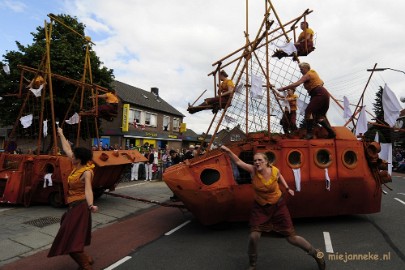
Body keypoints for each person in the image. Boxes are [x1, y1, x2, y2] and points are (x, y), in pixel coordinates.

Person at [220, 145, 325, 270]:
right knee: (254, 236)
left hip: (278, 206)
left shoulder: (274, 170)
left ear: (266, 162)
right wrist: (228, 151)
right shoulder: (253, 170)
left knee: (291, 238)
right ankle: (252, 264)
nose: (257, 162)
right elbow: (238, 161)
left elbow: (280, 176)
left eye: (260, 160)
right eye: (255, 161)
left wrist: (287, 188)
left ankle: (317, 254)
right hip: (260, 207)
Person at [48, 127, 98, 270]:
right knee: (71, 236)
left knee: (69, 239)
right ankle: (87, 259)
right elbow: (67, 149)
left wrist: (91, 205)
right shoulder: (77, 165)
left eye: (74, 156)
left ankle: (85, 265)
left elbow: (88, 189)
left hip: (81, 207)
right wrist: (61, 134)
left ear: (79, 159)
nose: (71, 156)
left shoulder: (86, 172)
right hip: (73, 207)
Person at [277, 62, 335, 139]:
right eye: (300, 69)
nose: (301, 71)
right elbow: (322, 82)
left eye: (302, 69)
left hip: (319, 94)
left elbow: (297, 84)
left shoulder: (308, 74)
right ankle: (331, 133)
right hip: (323, 94)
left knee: (308, 112)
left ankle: (309, 134)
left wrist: (283, 88)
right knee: (319, 116)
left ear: (306, 68)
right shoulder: (314, 73)